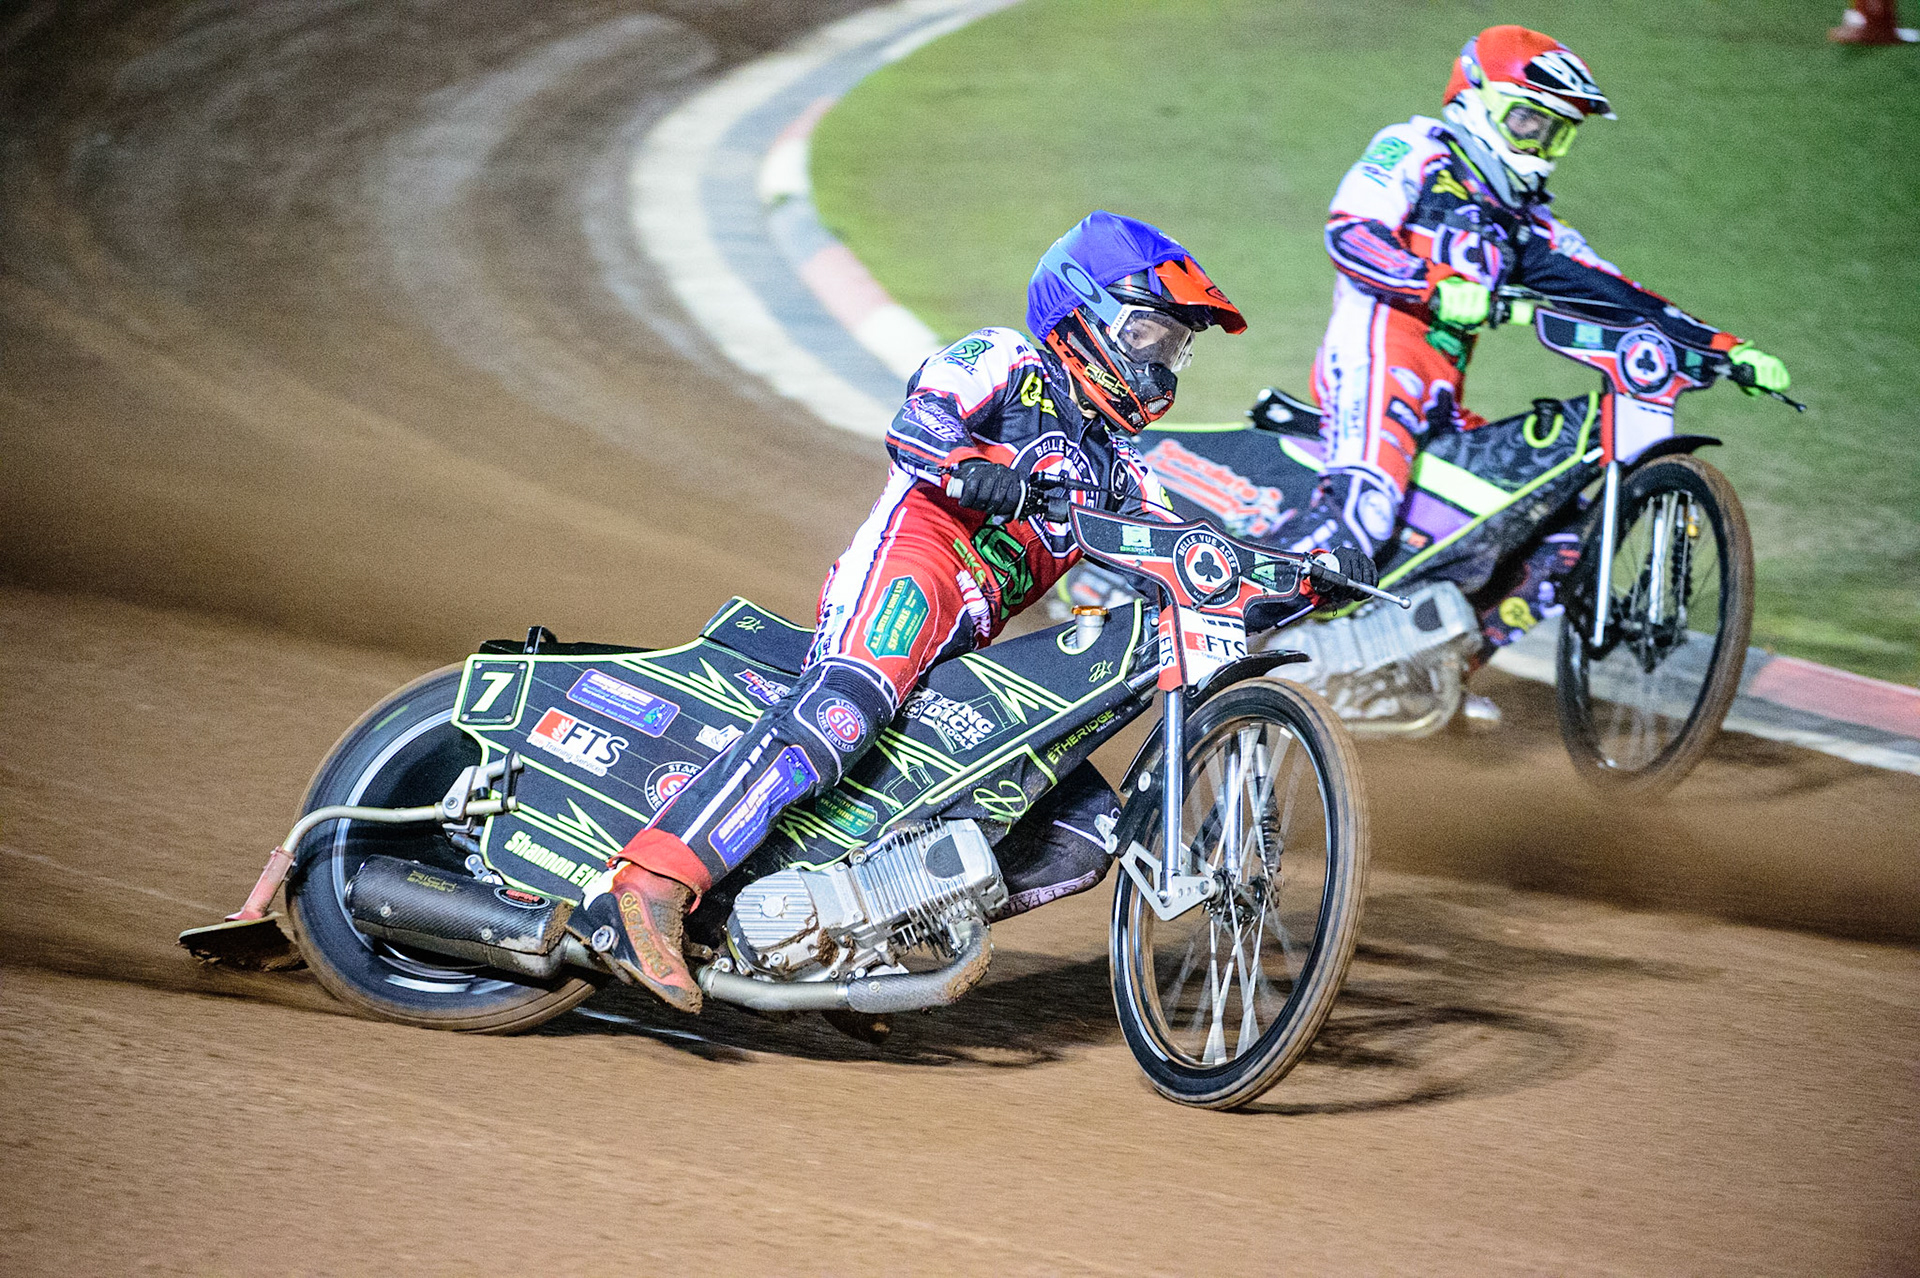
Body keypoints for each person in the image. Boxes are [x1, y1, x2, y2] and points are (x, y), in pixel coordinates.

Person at [578, 212, 1359, 1013]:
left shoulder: (1118, 469)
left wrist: (1306, 578)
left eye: (1173, 349)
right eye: (1147, 335)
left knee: (1081, 838)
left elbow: (1196, 556)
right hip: (913, 569)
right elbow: (917, 424)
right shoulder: (1008, 358)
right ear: (1080, 311)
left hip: (972, 638)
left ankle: (849, 939)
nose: (1160, 367)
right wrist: (970, 469)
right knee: (844, 714)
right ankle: (647, 885)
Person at [1278, 25, 1791, 603]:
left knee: (1527, 539)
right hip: (1375, 362)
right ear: (1476, 98)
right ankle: (1211, 637)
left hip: (1440, 394)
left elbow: (1619, 294)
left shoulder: (1525, 225)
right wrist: (1434, 284)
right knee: (1363, 518)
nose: (1538, 145)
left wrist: (1724, 348)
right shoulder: (1415, 147)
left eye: (1555, 133)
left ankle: (1421, 685)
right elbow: (1350, 234)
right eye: (1528, 121)